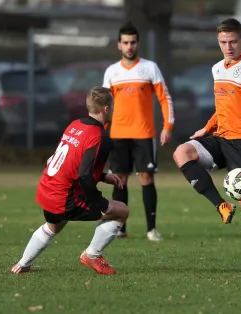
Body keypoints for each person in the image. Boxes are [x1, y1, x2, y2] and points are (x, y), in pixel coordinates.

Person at [173, 18, 241, 269]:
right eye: (223, 42)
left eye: (232, 41)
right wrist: (206, 129)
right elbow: (222, 109)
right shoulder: (217, 68)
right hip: (220, 138)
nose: (228, 47)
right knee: (182, 152)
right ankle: (220, 205)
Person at [11, 87, 129, 275]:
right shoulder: (99, 137)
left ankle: (23, 264)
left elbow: (72, 162)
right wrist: (98, 202)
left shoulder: (75, 125)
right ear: (106, 109)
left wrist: (105, 177)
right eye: (112, 106)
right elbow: (84, 174)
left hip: (47, 188)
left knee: (54, 225)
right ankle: (92, 255)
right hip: (64, 196)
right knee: (121, 211)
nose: (114, 110)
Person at [103, 22, 174, 241]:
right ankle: (120, 228)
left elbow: (165, 98)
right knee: (120, 180)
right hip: (118, 135)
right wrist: (101, 133)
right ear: (119, 45)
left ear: (138, 43)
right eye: (125, 42)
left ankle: (151, 229)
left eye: (133, 42)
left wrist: (168, 126)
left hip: (144, 133)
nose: (129, 46)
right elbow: (103, 106)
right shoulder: (112, 72)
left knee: (146, 178)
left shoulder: (149, 68)